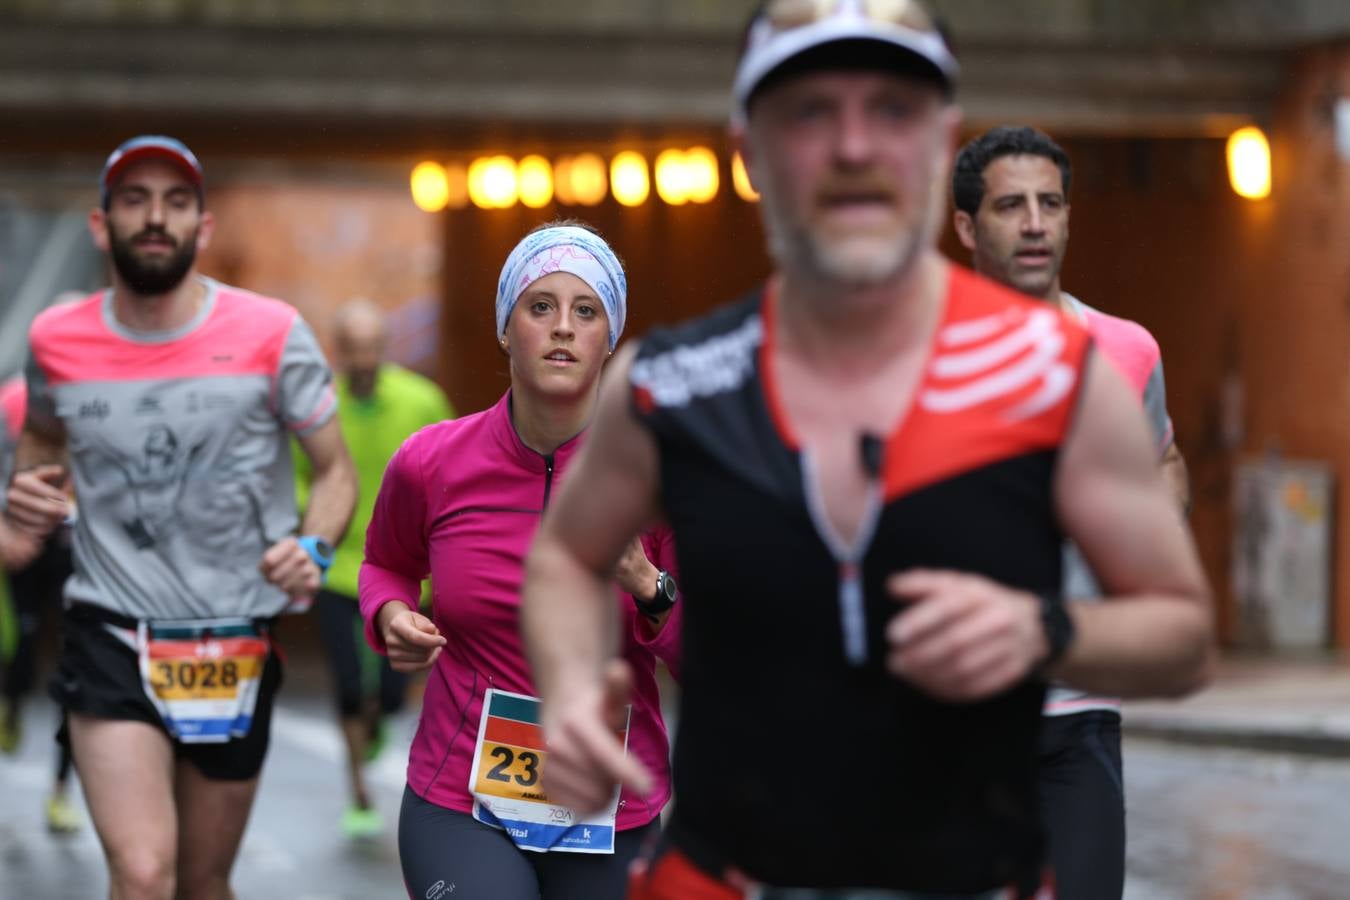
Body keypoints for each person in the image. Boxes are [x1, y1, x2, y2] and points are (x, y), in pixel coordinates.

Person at [520, 3, 1213, 898]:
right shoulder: (671, 385)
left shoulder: (1055, 376)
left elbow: (1184, 635)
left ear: (938, 141)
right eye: (809, 109)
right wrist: (574, 690)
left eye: (892, 108)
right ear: (751, 151)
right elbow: (566, 559)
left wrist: (1043, 631)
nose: (853, 145)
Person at [4, 135, 357, 900]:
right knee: (141, 872)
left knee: (201, 881)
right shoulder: (56, 342)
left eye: (175, 201)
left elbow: (335, 471)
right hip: (110, 630)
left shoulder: (271, 331)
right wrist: (28, 495)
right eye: (134, 200)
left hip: (232, 638)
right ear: (102, 226)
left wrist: (315, 546)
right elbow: (40, 443)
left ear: (204, 226)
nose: (155, 217)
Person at [359, 220, 680, 900]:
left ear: (608, 338)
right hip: (461, 800)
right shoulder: (432, 462)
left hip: (611, 807)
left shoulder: (661, 477)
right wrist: (388, 612)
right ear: (508, 327)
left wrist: (650, 588)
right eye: (541, 307)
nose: (563, 327)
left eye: (585, 310)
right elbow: (386, 562)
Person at [952, 125, 1188, 900]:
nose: (1033, 223)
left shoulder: (1127, 351)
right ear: (966, 227)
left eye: (1050, 203)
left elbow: (1162, 462)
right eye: (1011, 205)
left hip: (1081, 715)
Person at [292, 297, 455, 838]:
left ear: (385, 349)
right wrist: (312, 524)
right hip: (340, 568)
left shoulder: (421, 400)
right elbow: (298, 475)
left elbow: (455, 469)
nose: (363, 360)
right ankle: (358, 788)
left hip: (409, 568)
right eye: (353, 349)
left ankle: (378, 719)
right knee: (345, 681)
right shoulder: (318, 406)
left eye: (372, 349)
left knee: (387, 689)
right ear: (338, 351)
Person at [0, 373, 83, 834]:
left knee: (78, 667)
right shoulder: (14, 399)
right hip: (27, 542)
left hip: (81, 551)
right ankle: (11, 702)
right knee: (25, 650)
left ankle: (61, 790)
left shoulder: (112, 392)